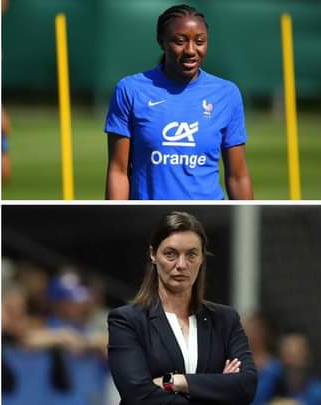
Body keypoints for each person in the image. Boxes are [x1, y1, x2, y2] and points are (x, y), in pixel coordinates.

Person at [105, 4, 253, 200]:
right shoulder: (130, 90)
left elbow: (237, 176)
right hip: (148, 216)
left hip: (208, 215)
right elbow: (118, 171)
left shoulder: (227, 94)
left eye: (200, 41)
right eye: (180, 41)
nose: (191, 50)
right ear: (161, 42)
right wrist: (117, 220)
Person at [107, 211, 257, 404]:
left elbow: (246, 385)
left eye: (191, 254)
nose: (181, 264)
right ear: (153, 254)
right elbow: (138, 395)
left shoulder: (225, 319)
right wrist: (217, 388)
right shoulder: (127, 320)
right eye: (171, 254)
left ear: (202, 258)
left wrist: (175, 382)